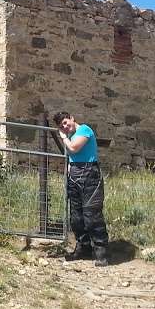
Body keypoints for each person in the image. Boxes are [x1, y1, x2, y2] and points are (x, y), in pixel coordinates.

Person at [53, 111, 110, 266]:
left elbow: (74, 148)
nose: (65, 127)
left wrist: (63, 137)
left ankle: (101, 250)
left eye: (65, 122)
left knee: (92, 214)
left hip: (90, 174)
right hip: (75, 175)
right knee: (76, 216)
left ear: (71, 118)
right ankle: (83, 247)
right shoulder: (70, 135)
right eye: (61, 126)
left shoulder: (84, 130)